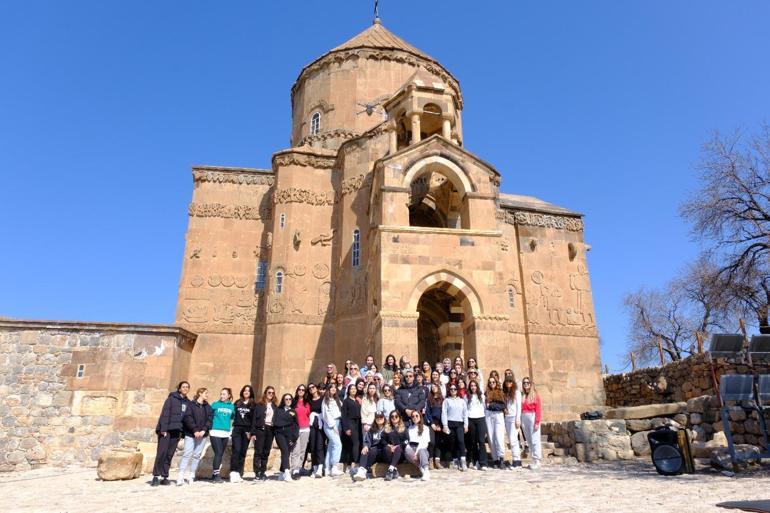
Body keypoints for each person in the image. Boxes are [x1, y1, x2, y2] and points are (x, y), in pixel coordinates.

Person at [151, 381, 190, 486]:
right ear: (179, 388)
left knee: (169, 454)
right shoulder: (171, 399)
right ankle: (156, 476)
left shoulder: (187, 402)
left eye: (187, 387)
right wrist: (163, 428)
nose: (185, 388)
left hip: (177, 431)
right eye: (183, 387)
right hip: (166, 430)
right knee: (161, 453)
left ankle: (164, 476)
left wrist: (183, 433)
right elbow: (165, 413)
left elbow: (186, 419)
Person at [177, 387, 213, 485]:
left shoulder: (208, 407)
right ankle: (180, 476)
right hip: (190, 434)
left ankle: (191, 476)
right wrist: (195, 430)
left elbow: (209, 420)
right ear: (200, 393)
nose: (207, 395)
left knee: (196, 455)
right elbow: (188, 418)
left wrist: (203, 430)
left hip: (202, 435)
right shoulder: (190, 405)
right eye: (206, 393)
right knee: (187, 454)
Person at [353, 411, 392, 481]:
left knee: (384, 449)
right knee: (366, 449)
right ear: (375, 419)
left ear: (384, 418)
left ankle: (365, 468)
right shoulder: (372, 429)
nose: (379, 419)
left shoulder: (388, 428)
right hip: (375, 453)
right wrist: (366, 446)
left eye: (381, 417)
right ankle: (362, 470)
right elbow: (367, 441)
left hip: (385, 452)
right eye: (377, 417)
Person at [229, 385, 255, 483]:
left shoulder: (253, 405)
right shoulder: (237, 403)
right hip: (237, 429)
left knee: (243, 452)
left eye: (248, 390)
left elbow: (253, 420)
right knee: (237, 450)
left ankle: (239, 473)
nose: (246, 392)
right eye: (245, 390)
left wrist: (251, 432)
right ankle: (233, 472)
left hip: (247, 431)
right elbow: (232, 416)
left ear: (251, 392)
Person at [209, 388, 235, 483]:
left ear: (228, 396)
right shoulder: (215, 405)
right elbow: (209, 416)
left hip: (225, 433)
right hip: (215, 431)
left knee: (219, 454)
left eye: (224, 394)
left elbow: (233, 417)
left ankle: (214, 474)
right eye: (221, 394)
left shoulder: (232, 407)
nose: (222, 396)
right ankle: (216, 475)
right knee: (219, 452)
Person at [252, 386, 277, 481]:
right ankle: (257, 472)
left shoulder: (275, 406)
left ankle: (263, 471)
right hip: (260, 429)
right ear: (265, 393)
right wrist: (253, 432)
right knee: (258, 451)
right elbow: (254, 419)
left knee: (266, 452)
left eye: (272, 393)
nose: (271, 394)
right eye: (269, 392)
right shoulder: (259, 405)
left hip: (270, 429)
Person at [442, 382, 468, 471]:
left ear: (457, 390)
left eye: (455, 389)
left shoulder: (462, 401)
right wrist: (445, 425)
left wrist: (466, 424)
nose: (453, 390)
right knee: (452, 442)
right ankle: (455, 460)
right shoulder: (446, 401)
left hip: (459, 423)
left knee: (461, 441)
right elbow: (444, 413)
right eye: (451, 389)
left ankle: (463, 460)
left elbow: (465, 413)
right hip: (450, 423)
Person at [274, 393, 300, 482]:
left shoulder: (293, 411)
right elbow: (275, 421)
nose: (288, 401)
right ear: (283, 400)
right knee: (285, 451)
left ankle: (281, 473)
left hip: (289, 435)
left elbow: (296, 426)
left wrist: (294, 438)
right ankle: (287, 473)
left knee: (287, 453)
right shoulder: (278, 410)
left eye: (290, 399)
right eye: (286, 399)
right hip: (279, 434)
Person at [321, 383, 344, 477]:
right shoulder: (325, 400)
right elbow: (326, 414)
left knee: (331, 446)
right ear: (328, 389)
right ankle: (334, 466)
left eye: (335, 387)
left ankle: (327, 468)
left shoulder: (336, 399)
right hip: (330, 424)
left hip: (338, 422)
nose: (334, 389)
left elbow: (341, 409)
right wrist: (333, 425)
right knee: (338, 444)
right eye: (331, 387)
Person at [466, 379, 489, 470]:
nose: (473, 387)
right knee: (473, 442)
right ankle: (476, 461)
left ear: (477, 386)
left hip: (480, 419)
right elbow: (466, 410)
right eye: (471, 386)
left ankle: (484, 463)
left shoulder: (482, 396)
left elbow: (485, 408)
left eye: (474, 385)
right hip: (471, 419)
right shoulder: (467, 397)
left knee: (481, 441)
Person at [289, 385, 311, 479]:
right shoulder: (293, 402)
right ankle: (294, 469)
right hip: (295, 429)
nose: (301, 391)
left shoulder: (307, 402)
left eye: (303, 390)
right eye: (299, 389)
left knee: (302, 450)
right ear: (297, 390)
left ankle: (298, 469)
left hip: (305, 429)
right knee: (295, 450)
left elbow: (309, 414)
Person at [485, 376, 507, 469]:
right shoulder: (486, 393)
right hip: (489, 415)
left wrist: (492, 405)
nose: (492, 384)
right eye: (490, 382)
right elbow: (486, 406)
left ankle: (501, 458)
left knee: (499, 437)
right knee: (491, 437)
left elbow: (502, 406)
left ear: (496, 382)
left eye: (493, 382)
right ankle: (495, 459)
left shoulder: (501, 393)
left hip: (498, 415)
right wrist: (493, 406)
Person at [521, 377, 542, 470]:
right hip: (524, 417)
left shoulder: (535, 395)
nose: (526, 384)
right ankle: (533, 460)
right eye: (524, 383)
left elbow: (538, 409)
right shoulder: (522, 395)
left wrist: (537, 421)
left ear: (530, 384)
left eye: (527, 382)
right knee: (529, 440)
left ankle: (537, 460)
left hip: (532, 416)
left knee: (535, 439)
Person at [424, 383, 447, 469]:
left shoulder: (443, 400)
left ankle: (437, 461)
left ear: (438, 388)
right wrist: (432, 423)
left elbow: (444, 412)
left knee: (438, 442)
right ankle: (430, 460)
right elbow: (427, 413)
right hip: (431, 423)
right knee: (432, 442)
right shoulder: (429, 399)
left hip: (440, 423)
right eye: (432, 387)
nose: (434, 388)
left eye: (435, 386)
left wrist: (441, 424)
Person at [307, 383, 326, 478]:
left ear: (316, 388)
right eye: (309, 388)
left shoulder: (323, 399)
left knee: (319, 445)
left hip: (321, 424)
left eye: (313, 387)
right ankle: (314, 468)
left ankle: (320, 467)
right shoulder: (309, 401)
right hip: (312, 424)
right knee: (313, 446)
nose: (311, 389)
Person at [341, 384, 361, 472]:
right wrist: (346, 428)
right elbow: (344, 415)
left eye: (354, 389)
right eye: (351, 389)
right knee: (355, 443)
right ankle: (354, 463)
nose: (353, 390)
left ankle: (350, 464)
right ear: (348, 390)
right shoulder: (346, 401)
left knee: (356, 443)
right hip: (350, 423)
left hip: (359, 423)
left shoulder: (358, 400)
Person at [405, 411, 431, 481]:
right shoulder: (409, 428)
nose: (415, 417)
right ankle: (423, 470)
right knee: (406, 449)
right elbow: (408, 441)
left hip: (422, 449)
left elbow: (425, 443)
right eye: (413, 416)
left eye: (416, 416)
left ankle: (426, 469)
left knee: (421, 450)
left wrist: (416, 453)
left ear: (420, 417)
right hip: (411, 449)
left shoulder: (425, 428)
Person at [503, 377, 523, 468]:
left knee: (513, 439)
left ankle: (517, 460)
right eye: (507, 381)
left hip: (514, 418)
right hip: (507, 418)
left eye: (510, 381)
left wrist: (518, 419)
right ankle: (516, 460)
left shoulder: (517, 393)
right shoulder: (505, 393)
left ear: (513, 382)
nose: (508, 383)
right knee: (511, 440)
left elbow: (519, 407)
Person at [382, 410, 408, 481]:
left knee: (398, 448)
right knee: (386, 448)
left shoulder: (404, 428)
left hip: (400, 454)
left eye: (396, 416)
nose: (394, 418)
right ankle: (394, 469)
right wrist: (389, 445)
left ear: (399, 417)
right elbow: (382, 440)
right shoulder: (387, 428)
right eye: (392, 416)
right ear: (390, 418)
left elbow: (407, 440)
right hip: (389, 454)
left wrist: (399, 445)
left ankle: (390, 470)